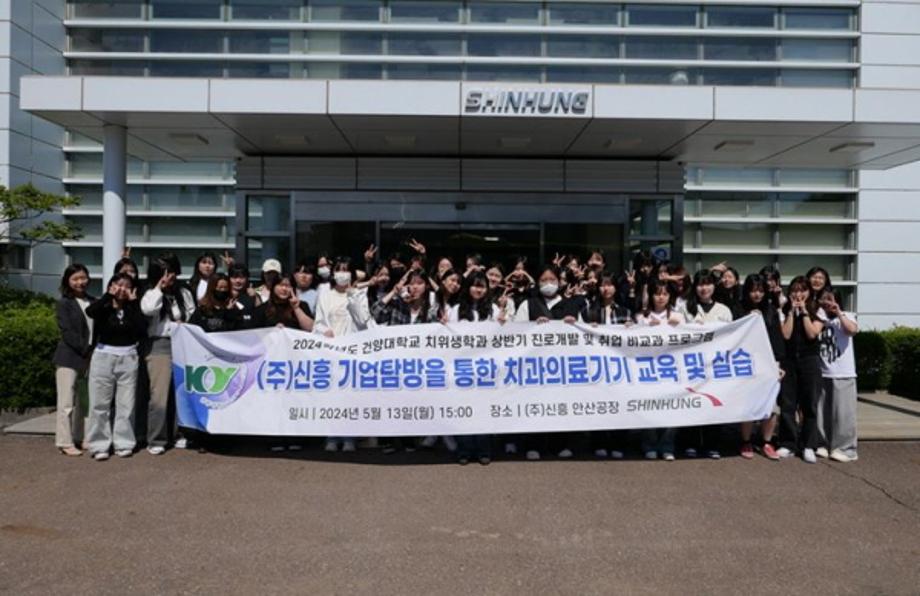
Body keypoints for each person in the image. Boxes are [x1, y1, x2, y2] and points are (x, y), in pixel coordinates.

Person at [513, 264, 579, 461]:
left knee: (560, 404)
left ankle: (560, 444)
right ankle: (534, 444)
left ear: (559, 282)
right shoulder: (528, 304)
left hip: (562, 365)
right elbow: (516, 332)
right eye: (543, 280)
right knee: (536, 404)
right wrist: (532, 326)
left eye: (552, 280)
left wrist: (574, 325)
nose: (548, 284)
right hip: (535, 365)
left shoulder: (570, 305)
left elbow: (584, 334)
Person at [372, 269, 441, 455]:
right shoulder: (397, 304)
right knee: (391, 400)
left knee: (410, 401)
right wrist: (394, 293)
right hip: (394, 362)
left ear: (426, 286)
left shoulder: (431, 309)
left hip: (417, 365)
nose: (415, 287)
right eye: (412, 283)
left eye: (419, 283)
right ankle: (387, 439)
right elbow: (376, 313)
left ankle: (408, 438)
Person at [447, 271, 507, 465]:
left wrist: (503, 323)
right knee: (463, 411)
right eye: (474, 285)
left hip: (485, 369)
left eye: (482, 286)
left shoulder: (493, 310)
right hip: (463, 369)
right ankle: (464, 450)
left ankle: (483, 450)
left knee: (483, 411)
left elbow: (502, 337)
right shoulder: (456, 310)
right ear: (467, 287)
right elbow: (447, 338)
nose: (478, 290)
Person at [85, 273, 147, 460]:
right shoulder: (103, 306)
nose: (122, 289)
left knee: (126, 404)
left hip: (128, 356)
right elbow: (91, 312)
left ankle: (124, 442)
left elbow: (141, 329)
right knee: (99, 403)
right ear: (111, 285)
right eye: (119, 284)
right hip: (103, 355)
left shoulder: (132, 308)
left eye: (127, 286)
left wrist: (134, 303)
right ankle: (99, 444)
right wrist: (107, 297)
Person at [140, 255, 196, 455]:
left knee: (180, 392)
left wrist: (184, 325)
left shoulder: (183, 292)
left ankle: (178, 433)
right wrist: (159, 287)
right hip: (159, 345)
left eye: (172, 272)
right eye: (165, 273)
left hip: (182, 344)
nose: (170, 276)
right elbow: (148, 309)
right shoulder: (150, 292)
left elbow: (192, 313)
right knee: (160, 394)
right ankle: (156, 438)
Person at [313, 257, 364, 453]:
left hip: (351, 353)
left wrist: (352, 296)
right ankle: (332, 436)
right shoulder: (325, 295)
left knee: (349, 397)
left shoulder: (358, 294)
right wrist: (324, 331)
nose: (342, 273)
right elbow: (318, 321)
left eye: (346, 270)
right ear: (333, 273)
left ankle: (350, 437)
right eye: (339, 269)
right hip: (330, 352)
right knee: (331, 397)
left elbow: (363, 320)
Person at [579, 273, 631, 459]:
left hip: (619, 365)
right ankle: (598, 442)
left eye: (610, 285)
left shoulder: (625, 311)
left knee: (621, 404)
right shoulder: (588, 311)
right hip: (596, 365)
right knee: (599, 403)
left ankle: (618, 443)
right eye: (602, 285)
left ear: (616, 288)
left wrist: (631, 328)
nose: (606, 288)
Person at [735, 274, 786, 461]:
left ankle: (767, 442)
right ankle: (745, 441)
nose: (757, 294)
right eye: (753, 290)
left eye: (760, 291)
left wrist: (778, 364)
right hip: (746, 363)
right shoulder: (738, 309)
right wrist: (747, 319)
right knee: (748, 404)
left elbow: (777, 339)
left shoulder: (771, 310)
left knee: (771, 405)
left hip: (769, 363)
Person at [778, 276, 825, 463]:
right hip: (789, 361)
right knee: (788, 404)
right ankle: (788, 443)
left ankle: (808, 445)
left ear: (809, 292)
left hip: (809, 360)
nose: (798, 294)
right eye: (795, 290)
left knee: (810, 404)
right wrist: (791, 312)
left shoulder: (817, 309)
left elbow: (812, 333)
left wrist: (804, 311)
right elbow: (785, 334)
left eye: (802, 290)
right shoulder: (783, 309)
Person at [635, 278, 682, 461]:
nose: (661, 297)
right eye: (657, 293)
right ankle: (649, 445)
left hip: (672, 369)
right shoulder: (642, 317)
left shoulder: (678, 316)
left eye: (665, 294)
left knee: (673, 408)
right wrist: (646, 327)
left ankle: (667, 446)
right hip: (648, 369)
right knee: (649, 407)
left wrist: (677, 325)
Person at [52, 264, 94, 456]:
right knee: (66, 402)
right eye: (75, 279)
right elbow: (67, 332)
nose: (80, 282)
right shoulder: (64, 303)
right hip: (69, 357)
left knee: (84, 401)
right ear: (67, 281)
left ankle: (81, 437)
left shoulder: (93, 301)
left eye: (83, 278)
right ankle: (64, 441)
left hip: (89, 357)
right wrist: (85, 350)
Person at [816, 289, 859, 462]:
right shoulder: (820, 318)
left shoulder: (847, 315)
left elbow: (852, 330)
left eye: (830, 298)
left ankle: (847, 449)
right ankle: (823, 444)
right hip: (823, 373)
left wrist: (839, 313)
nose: (826, 302)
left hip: (843, 373)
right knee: (822, 413)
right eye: (823, 298)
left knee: (843, 414)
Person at [228, 263, 259, 327]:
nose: (238, 281)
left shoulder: (253, 296)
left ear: (247, 278)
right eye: (234, 277)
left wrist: (256, 297)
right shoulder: (224, 296)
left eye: (241, 277)